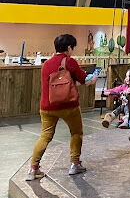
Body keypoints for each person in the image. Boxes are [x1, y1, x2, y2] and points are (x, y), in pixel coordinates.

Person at [26, 34, 97, 181]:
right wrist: (91, 80)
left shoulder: (46, 64)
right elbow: (83, 79)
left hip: (47, 106)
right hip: (68, 105)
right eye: (73, 48)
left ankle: (33, 169)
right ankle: (75, 164)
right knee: (76, 133)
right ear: (69, 48)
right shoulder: (70, 62)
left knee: (45, 136)